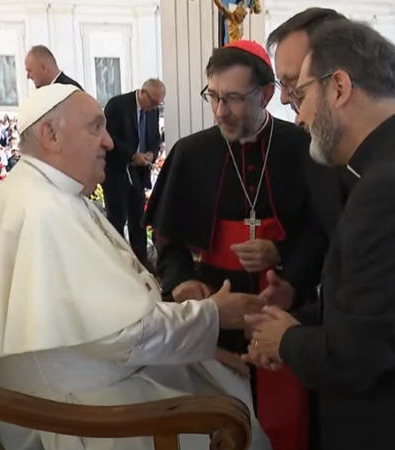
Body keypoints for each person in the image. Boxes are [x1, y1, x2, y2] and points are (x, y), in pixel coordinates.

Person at [0, 84, 271, 450]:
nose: (109, 142)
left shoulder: (55, 196)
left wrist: (199, 341)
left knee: (225, 383)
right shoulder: (44, 212)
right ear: (51, 135)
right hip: (75, 413)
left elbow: (111, 318)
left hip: (102, 376)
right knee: (232, 416)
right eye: (95, 128)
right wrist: (213, 317)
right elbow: (121, 334)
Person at [244, 19, 395, 450]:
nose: (298, 115)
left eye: (301, 95)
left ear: (338, 87)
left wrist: (286, 340)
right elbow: (382, 305)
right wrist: (295, 324)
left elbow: (359, 358)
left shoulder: (393, 189)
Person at [144, 40, 324, 450]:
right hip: (215, 314)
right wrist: (183, 282)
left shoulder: (302, 148)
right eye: (214, 96)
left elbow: (321, 231)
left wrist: (283, 259)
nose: (220, 110)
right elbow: (167, 236)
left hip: (287, 310)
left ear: (265, 95)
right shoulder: (191, 153)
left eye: (234, 99)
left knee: (288, 427)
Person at [103, 79, 165, 268]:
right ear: (143, 92)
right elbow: (108, 138)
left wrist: (151, 154)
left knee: (138, 222)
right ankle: (118, 266)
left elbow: (155, 138)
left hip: (139, 175)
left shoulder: (152, 111)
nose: (154, 107)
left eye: (158, 104)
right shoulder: (117, 105)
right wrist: (131, 156)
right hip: (118, 173)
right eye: (153, 102)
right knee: (117, 220)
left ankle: (142, 266)